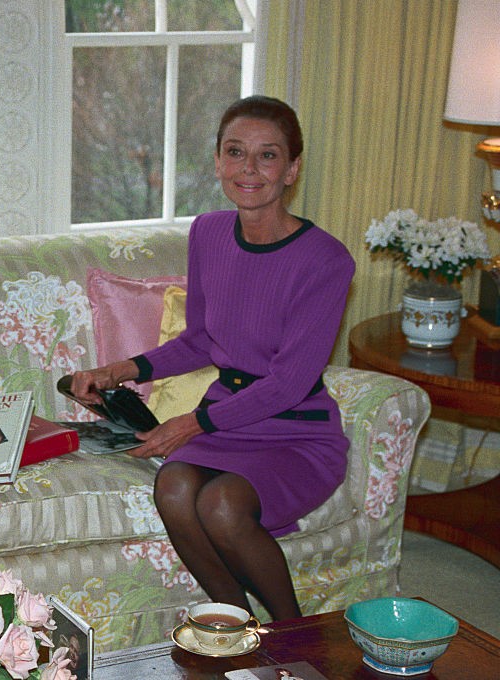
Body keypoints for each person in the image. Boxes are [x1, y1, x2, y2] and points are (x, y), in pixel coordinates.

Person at [69, 95, 354, 622]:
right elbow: (201, 339)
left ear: (291, 169)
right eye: (235, 152)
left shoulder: (326, 260)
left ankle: (294, 635)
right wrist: (120, 370)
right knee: (174, 487)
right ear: (218, 161)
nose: (249, 168)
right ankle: (235, 626)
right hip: (228, 417)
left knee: (221, 506)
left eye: (268, 156)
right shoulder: (208, 232)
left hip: (296, 428)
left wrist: (193, 424)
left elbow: (290, 383)